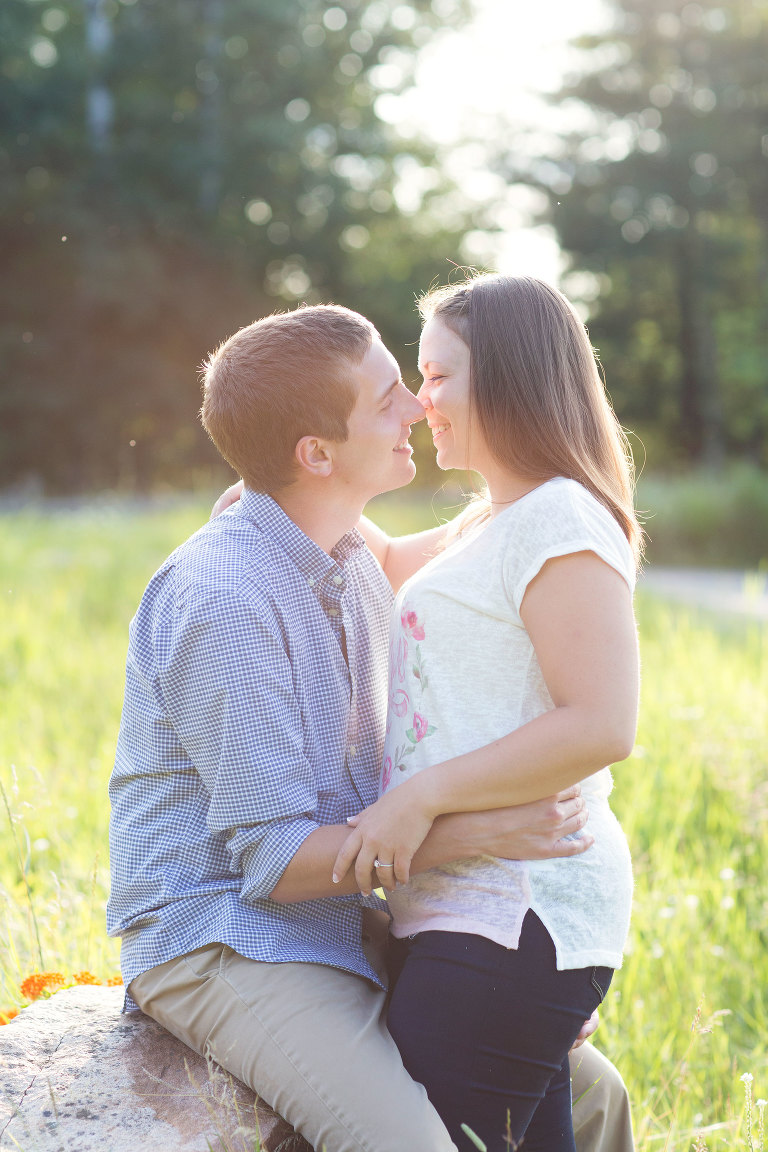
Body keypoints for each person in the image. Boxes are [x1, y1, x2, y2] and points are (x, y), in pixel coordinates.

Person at [107, 302, 635, 1152]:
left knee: (594, 1094)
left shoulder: (354, 558)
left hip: (340, 915)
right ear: (316, 454)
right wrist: (474, 830)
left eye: (419, 382)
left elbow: (501, 553)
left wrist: (539, 977)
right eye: (393, 393)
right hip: (226, 934)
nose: (417, 409)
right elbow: (274, 865)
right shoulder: (224, 599)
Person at [331, 274, 642, 1152]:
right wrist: (273, 494)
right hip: (469, 910)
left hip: (518, 910)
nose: (421, 402)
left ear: (506, 378)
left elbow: (601, 723)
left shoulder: (560, 520)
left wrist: (418, 796)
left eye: (436, 377)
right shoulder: (492, 520)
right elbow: (386, 559)